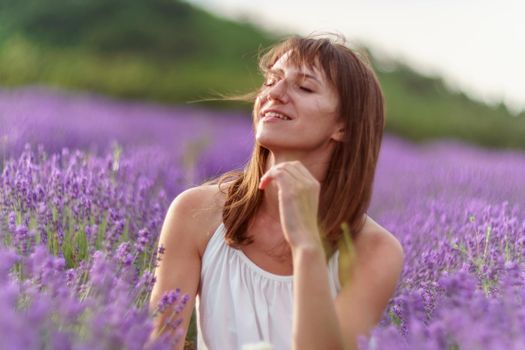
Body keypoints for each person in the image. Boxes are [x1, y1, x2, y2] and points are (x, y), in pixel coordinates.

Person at [149, 34, 404, 350]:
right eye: (271, 81)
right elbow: (161, 343)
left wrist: (308, 246)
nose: (274, 94)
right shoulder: (195, 212)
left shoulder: (375, 251)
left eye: (305, 87)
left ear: (344, 126)